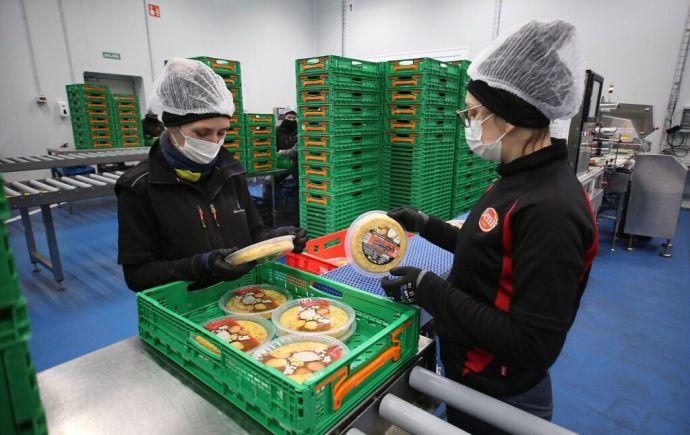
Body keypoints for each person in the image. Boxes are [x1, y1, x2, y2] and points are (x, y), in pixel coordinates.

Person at [380, 20, 598, 433]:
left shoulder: (552, 208)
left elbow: (533, 344)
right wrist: (425, 224)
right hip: (471, 371)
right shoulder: (518, 177)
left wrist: (431, 289)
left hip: (502, 391)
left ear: (510, 118)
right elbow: (491, 250)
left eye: (474, 113)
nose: (468, 122)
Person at [116, 58, 307, 292]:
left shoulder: (229, 171)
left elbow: (253, 234)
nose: (214, 143)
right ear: (172, 126)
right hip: (187, 307)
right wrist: (201, 266)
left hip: (241, 297)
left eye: (221, 133)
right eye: (203, 132)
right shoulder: (140, 187)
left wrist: (278, 238)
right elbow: (138, 276)